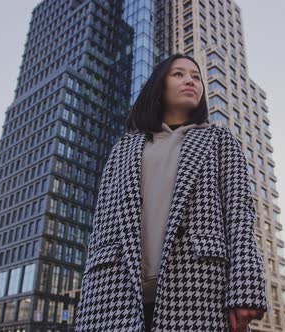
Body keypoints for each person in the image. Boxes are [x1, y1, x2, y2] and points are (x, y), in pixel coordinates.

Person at [74, 53, 269, 332]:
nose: (190, 80)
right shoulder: (124, 148)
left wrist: (245, 287)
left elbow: (240, 214)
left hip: (200, 287)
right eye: (178, 74)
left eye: (196, 76)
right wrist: (90, 291)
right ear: (159, 85)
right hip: (116, 288)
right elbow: (102, 225)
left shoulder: (218, 139)